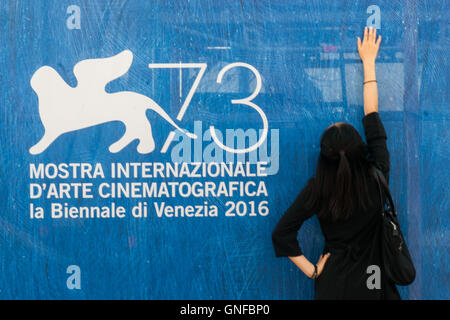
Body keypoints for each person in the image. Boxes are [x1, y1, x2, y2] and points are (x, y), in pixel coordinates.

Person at [271, 27, 401, 300]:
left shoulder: (318, 189)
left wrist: (313, 271)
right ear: (360, 149)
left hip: (333, 285)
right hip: (373, 280)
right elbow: (372, 113)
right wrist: (368, 62)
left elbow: (282, 234)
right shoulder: (378, 174)